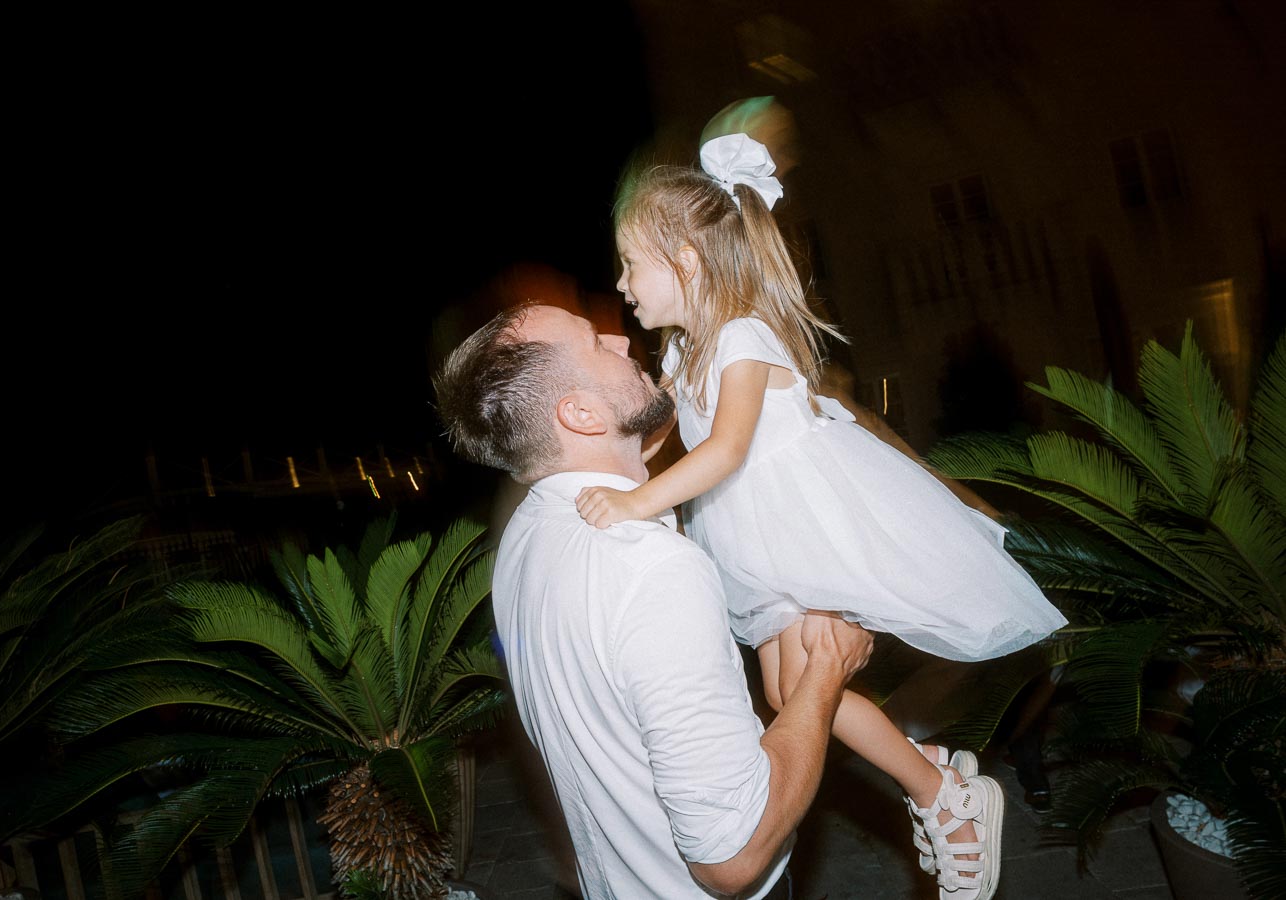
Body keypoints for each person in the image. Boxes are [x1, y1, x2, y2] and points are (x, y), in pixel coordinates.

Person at [575, 133, 1069, 900]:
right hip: (753, 539)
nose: (621, 280)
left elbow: (729, 448)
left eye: (632, 262)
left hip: (811, 526)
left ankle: (948, 799)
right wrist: (605, 464)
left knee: (808, 680)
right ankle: (937, 775)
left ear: (686, 261)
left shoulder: (743, 337)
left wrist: (637, 502)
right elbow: (663, 439)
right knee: (785, 697)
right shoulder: (682, 352)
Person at [433, 302, 877, 899]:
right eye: (595, 343)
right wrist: (826, 672)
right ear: (581, 414)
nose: (621, 339)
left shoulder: (528, 537)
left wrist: (648, 434)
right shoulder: (651, 570)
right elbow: (733, 859)